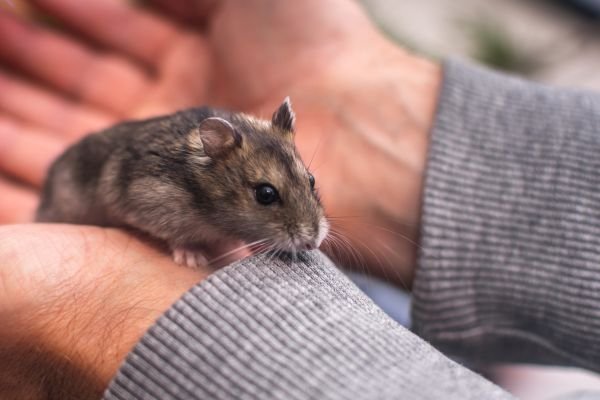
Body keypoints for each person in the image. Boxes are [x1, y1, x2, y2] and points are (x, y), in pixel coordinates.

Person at [0, 0, 598, 399]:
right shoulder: (172, 178)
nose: (311, 230)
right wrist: (181, 240)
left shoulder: (261, 155)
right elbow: (124, 192)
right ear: (216, 153)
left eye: (306, 188)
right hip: (69, 182)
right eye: (267, 197)